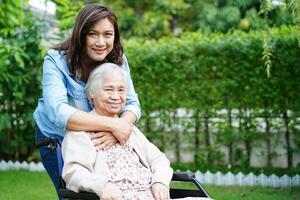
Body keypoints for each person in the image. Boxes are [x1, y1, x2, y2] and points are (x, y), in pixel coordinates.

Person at [34, 3, 141, 195]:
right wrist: (113, 125)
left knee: (110, 189)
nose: (101, 42)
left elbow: (132, 104)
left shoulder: (118, 59)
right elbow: (59, 113)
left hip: (98, 136)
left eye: (107, 34)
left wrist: (120, 128)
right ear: (80, 34)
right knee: (74, 193)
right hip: (57, 137)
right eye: (92, 34)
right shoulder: (55, 60)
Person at [62, 63, 173, 200]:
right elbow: (74, 172)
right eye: (108, 89)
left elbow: (159, 159)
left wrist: (160, 181)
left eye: (121, 90)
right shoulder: (80, 132)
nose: (116, 96)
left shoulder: (127, 128)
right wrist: (102, 185)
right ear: (92, 93)